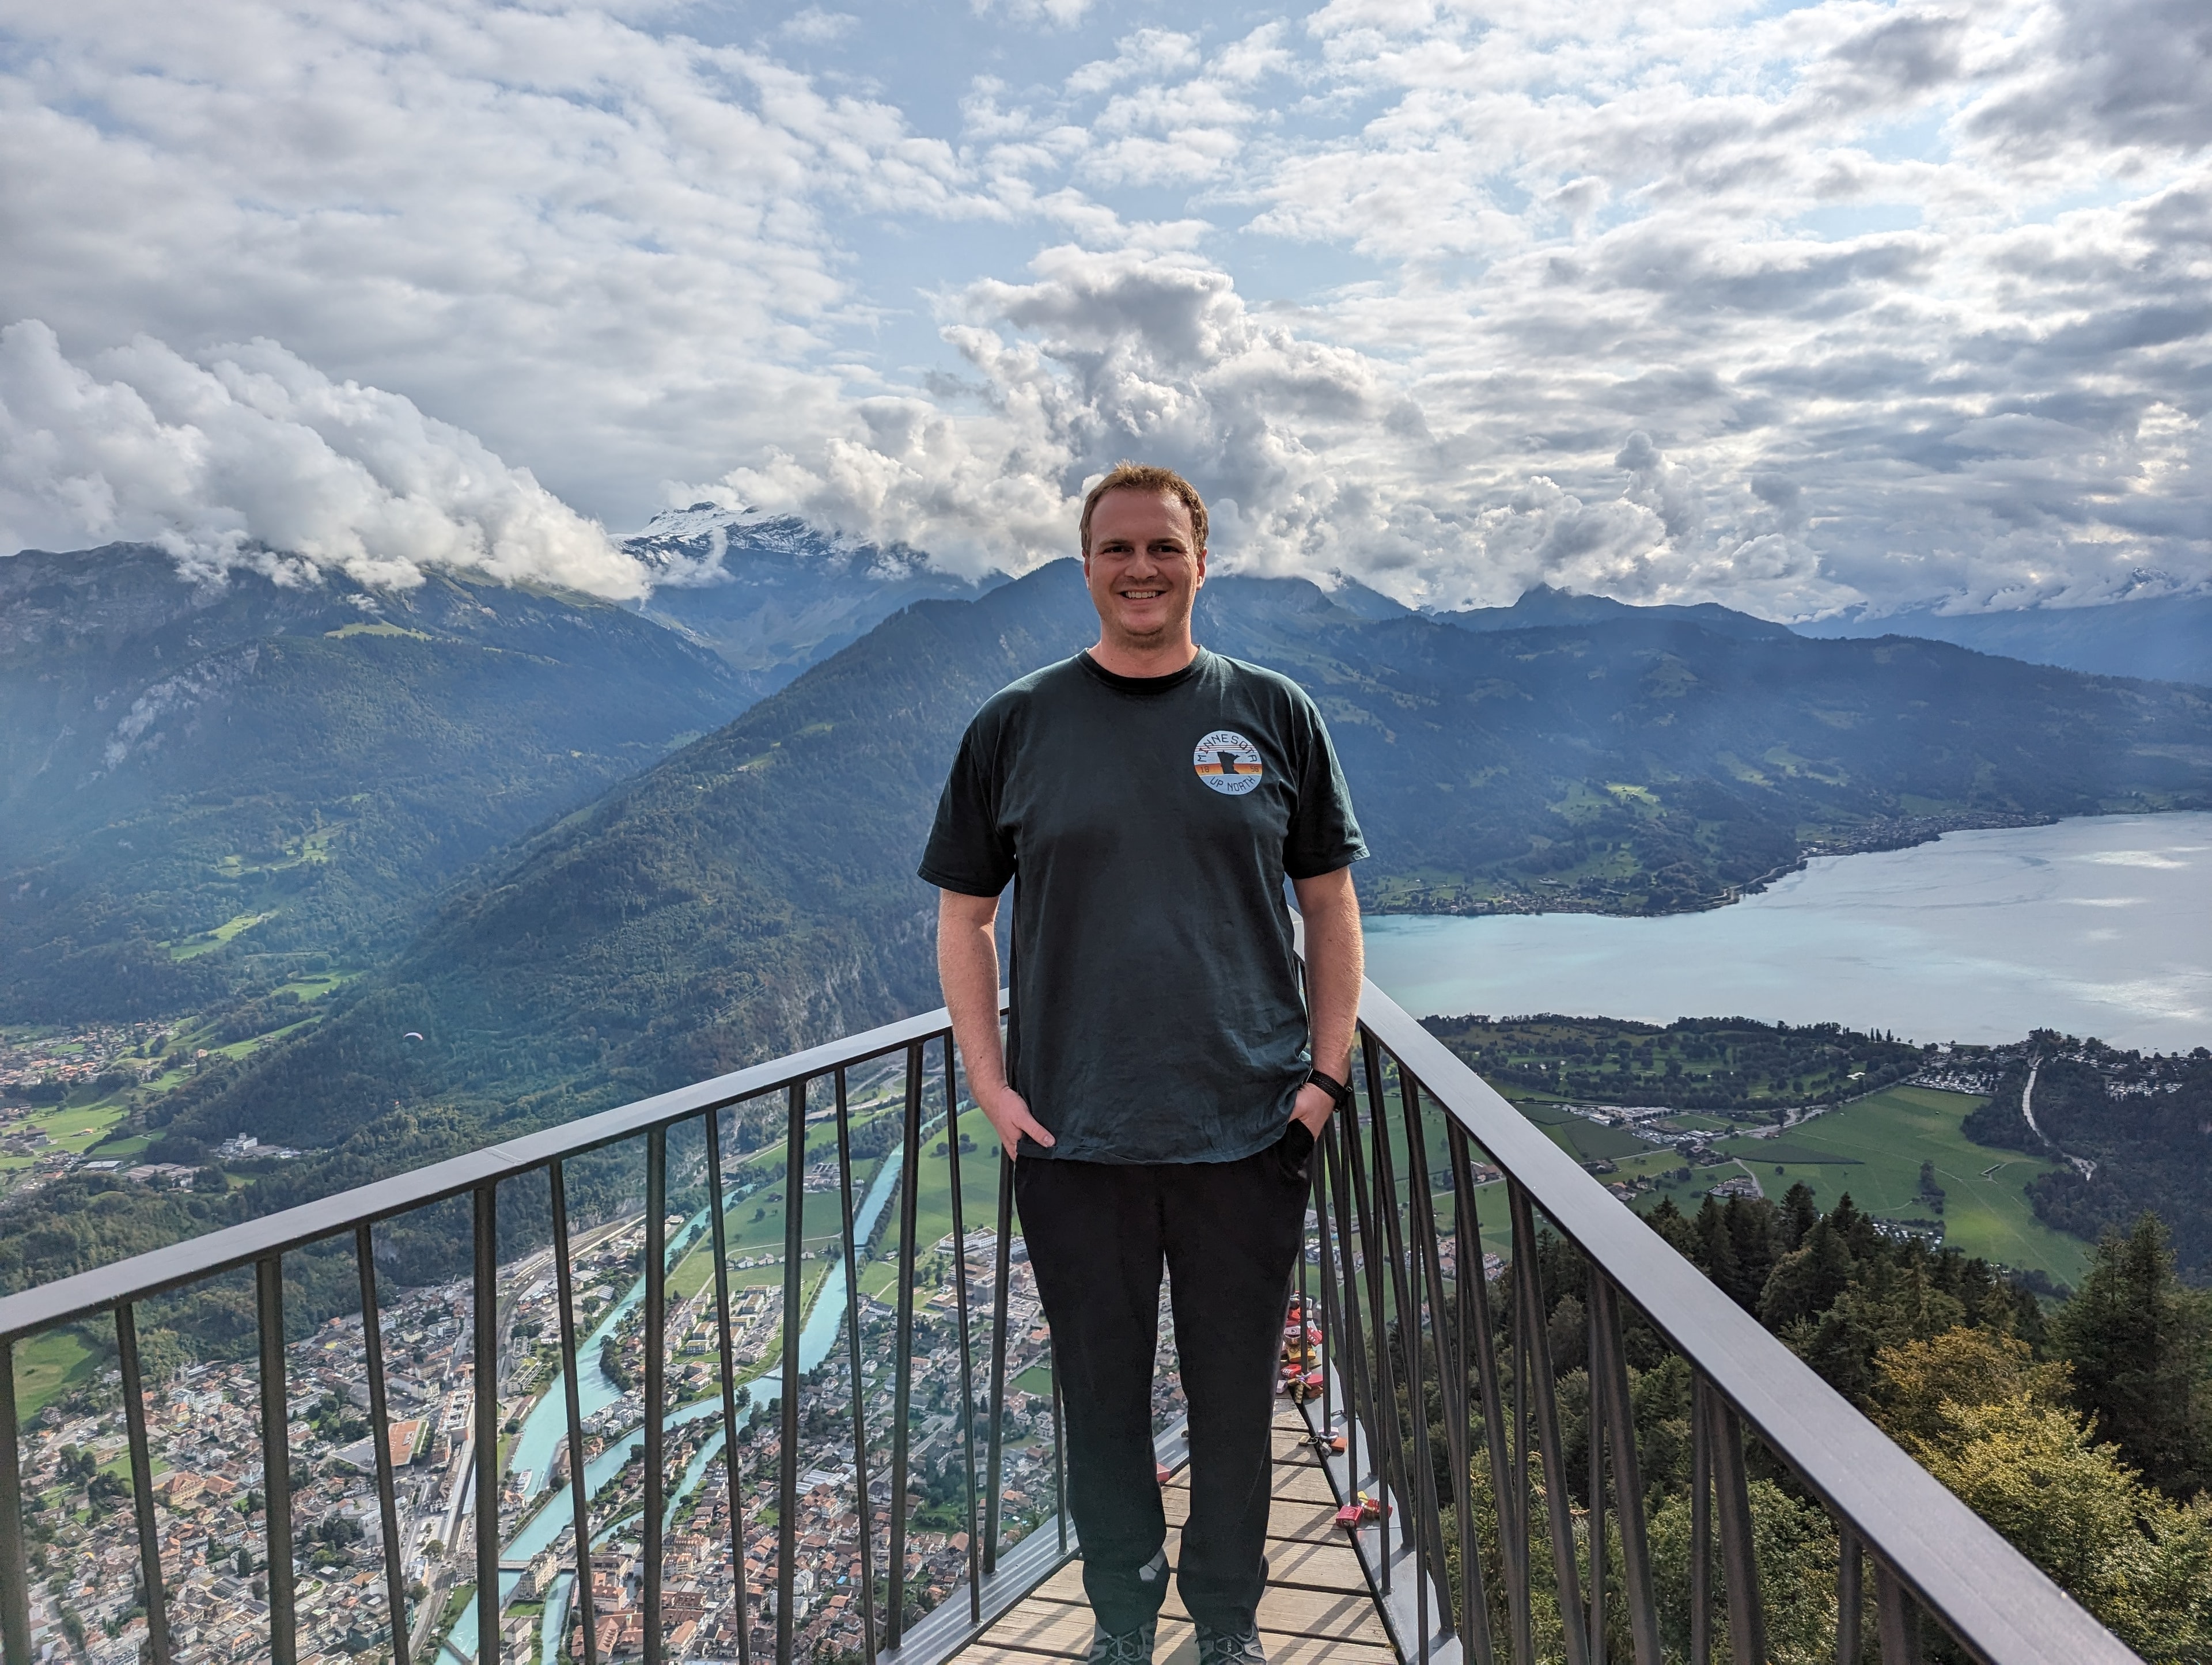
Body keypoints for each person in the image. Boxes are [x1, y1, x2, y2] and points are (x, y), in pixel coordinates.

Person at [921, 462, 1367, 1664]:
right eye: (1117, 548)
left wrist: (1322, 1084)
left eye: (1163, 547)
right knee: (1102, 1407)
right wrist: (991, 1086)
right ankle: (1121, 1621)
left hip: (1250, 1131)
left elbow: (1330, 904)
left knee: (1235, 1404)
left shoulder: (1273, 713)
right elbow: (964, 918)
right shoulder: (1016, 724)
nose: (1141, 569)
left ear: (1201, 563)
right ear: (1086, 567)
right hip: (1076, 1137)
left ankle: (1226, 1623)